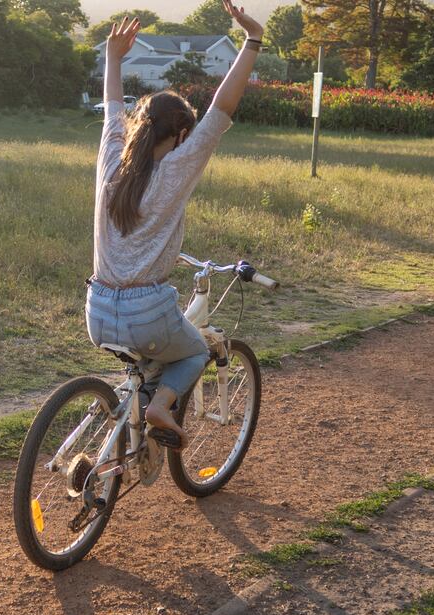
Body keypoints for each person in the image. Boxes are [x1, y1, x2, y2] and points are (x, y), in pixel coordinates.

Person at [86, 3, 264, 451]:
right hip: (146, 311)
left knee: (148, 355)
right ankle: (160, 406)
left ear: (137, 127)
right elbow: (222, 108)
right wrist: (252, 40)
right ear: (182, 135)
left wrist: (113, 58)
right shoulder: (178, 169)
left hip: (97, 308)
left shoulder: (111, 161)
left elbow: (112, 108)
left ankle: (123, 436)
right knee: (194, 352)